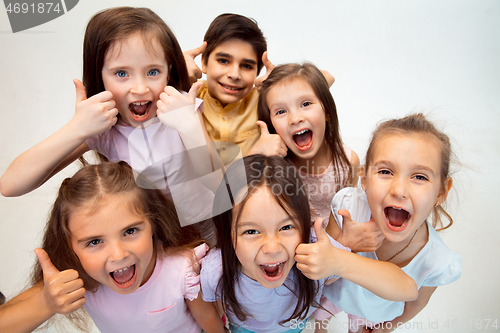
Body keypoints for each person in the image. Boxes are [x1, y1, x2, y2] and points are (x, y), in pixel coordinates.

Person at [0, 7, 217, 232]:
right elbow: (10, 185)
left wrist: (190, 126)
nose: (140, 88)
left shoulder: (182, 106)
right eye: (121, 73)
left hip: (207, 237)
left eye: (153, 72)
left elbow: (219, 184)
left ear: (168, 70)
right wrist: (77, 129)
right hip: (153, 248)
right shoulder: (102, 131)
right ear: (99, 75)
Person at [0, 161, 226, 333]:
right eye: (95, 242)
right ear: (70, 247)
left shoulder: (183, 268)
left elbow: (209, 321)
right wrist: (45, 301)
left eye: (130, 231)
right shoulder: (78, 278)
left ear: (153, 225)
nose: (118, 255)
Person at [201, 155, 418, 333]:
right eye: (251, 231)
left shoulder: (315, 254)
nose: (272, 248)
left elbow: (408, 289)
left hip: (296, 327)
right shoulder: (216, 270)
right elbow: (212, 309)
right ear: (228, 234)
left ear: (304, 224)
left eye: (286, 227)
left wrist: (341, 256)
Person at [319, 113, 462, 333]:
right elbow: (323, 276)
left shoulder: (436, 260)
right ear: (364, 179)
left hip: (373, 314)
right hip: (334, 292)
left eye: (419, 177)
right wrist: (346, 244)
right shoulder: (348, 208)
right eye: (385, 172)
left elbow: (416, 303)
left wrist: (387, 327)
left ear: (441, 191)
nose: (399, 191)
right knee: (318, 320)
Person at [258, 63, 382, 252]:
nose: (295, 118)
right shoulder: (275, 166)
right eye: (281, 111)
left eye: (305, 104)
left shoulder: (349, 162)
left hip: (334, 247)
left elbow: (347, 211)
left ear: (328, 113)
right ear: (272, 127)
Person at [183, 14, 335, 165]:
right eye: (223, 61)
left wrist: (282, 85)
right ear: (203, 62)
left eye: (246, 66)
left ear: (257, 72)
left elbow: (328, 77)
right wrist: (177, 71)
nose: (234, 74)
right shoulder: (188, 94)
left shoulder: (262, 100)